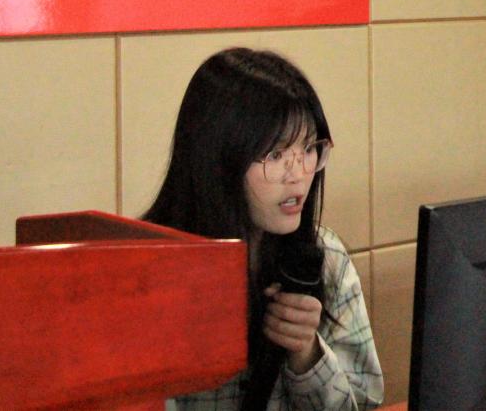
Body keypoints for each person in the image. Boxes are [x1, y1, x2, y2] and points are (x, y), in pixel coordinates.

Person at [145, 47, 383, 410]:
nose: (298, 175)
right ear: (218, 159)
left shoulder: (327, 257)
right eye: (275, 155)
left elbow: (365, 403)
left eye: (309, 149)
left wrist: (307, 354)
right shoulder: (145, 271)